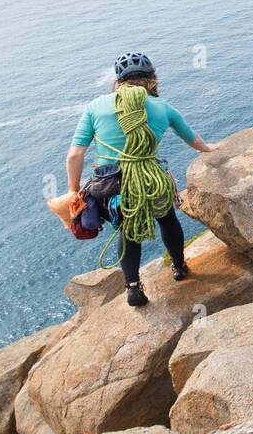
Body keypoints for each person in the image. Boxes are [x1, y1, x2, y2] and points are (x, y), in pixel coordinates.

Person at [66, 52, 215, 307]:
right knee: (167, 219)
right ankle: (179, 267)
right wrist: (210, 149)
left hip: (110, 185)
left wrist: (73, 190)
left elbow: (75, 155)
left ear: (118, 80)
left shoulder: (96, 107)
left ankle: (133, 288)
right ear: (151, 78)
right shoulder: (163, 107)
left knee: (128, 229)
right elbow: (193, 140)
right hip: (150, 178)